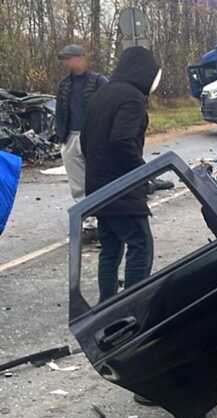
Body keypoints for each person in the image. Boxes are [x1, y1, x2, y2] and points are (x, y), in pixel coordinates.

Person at [80, 46, 162, 301]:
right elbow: (122, 140)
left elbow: (85, 140)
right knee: (141, 246)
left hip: (99, 188)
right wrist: (143, 174)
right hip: (123, 189)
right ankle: (132, 306)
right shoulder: (132, 98)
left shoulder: (101, 94)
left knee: (111, 249)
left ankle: (108, 304)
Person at [55, 44, 108, 239]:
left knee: (96, 180)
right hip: (70, 136)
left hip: (93, 137)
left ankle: (102, 222)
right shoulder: (64, 84)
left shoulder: (99, 82)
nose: (68, 63)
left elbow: (107, 108)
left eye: (70, 58)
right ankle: (87, 224)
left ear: (81, 58)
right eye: (66, 59)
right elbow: (60, 110)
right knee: (78, 184)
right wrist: (61, 135)